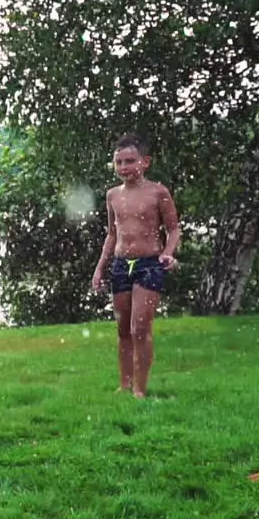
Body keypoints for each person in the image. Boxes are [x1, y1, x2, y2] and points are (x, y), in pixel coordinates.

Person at [91, 133, 181, 398]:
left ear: (146, 162)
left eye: (130, 161)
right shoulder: (112, 196)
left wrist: (168, 253)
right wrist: (99, 267)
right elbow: (112, 234)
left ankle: (140, 390)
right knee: (123, 330)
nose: (124, 168)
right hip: (121, 264)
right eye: (119, 162)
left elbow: (174, 230)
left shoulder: (158, 192)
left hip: (149, 264)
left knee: (139, 328)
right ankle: (124, 384)